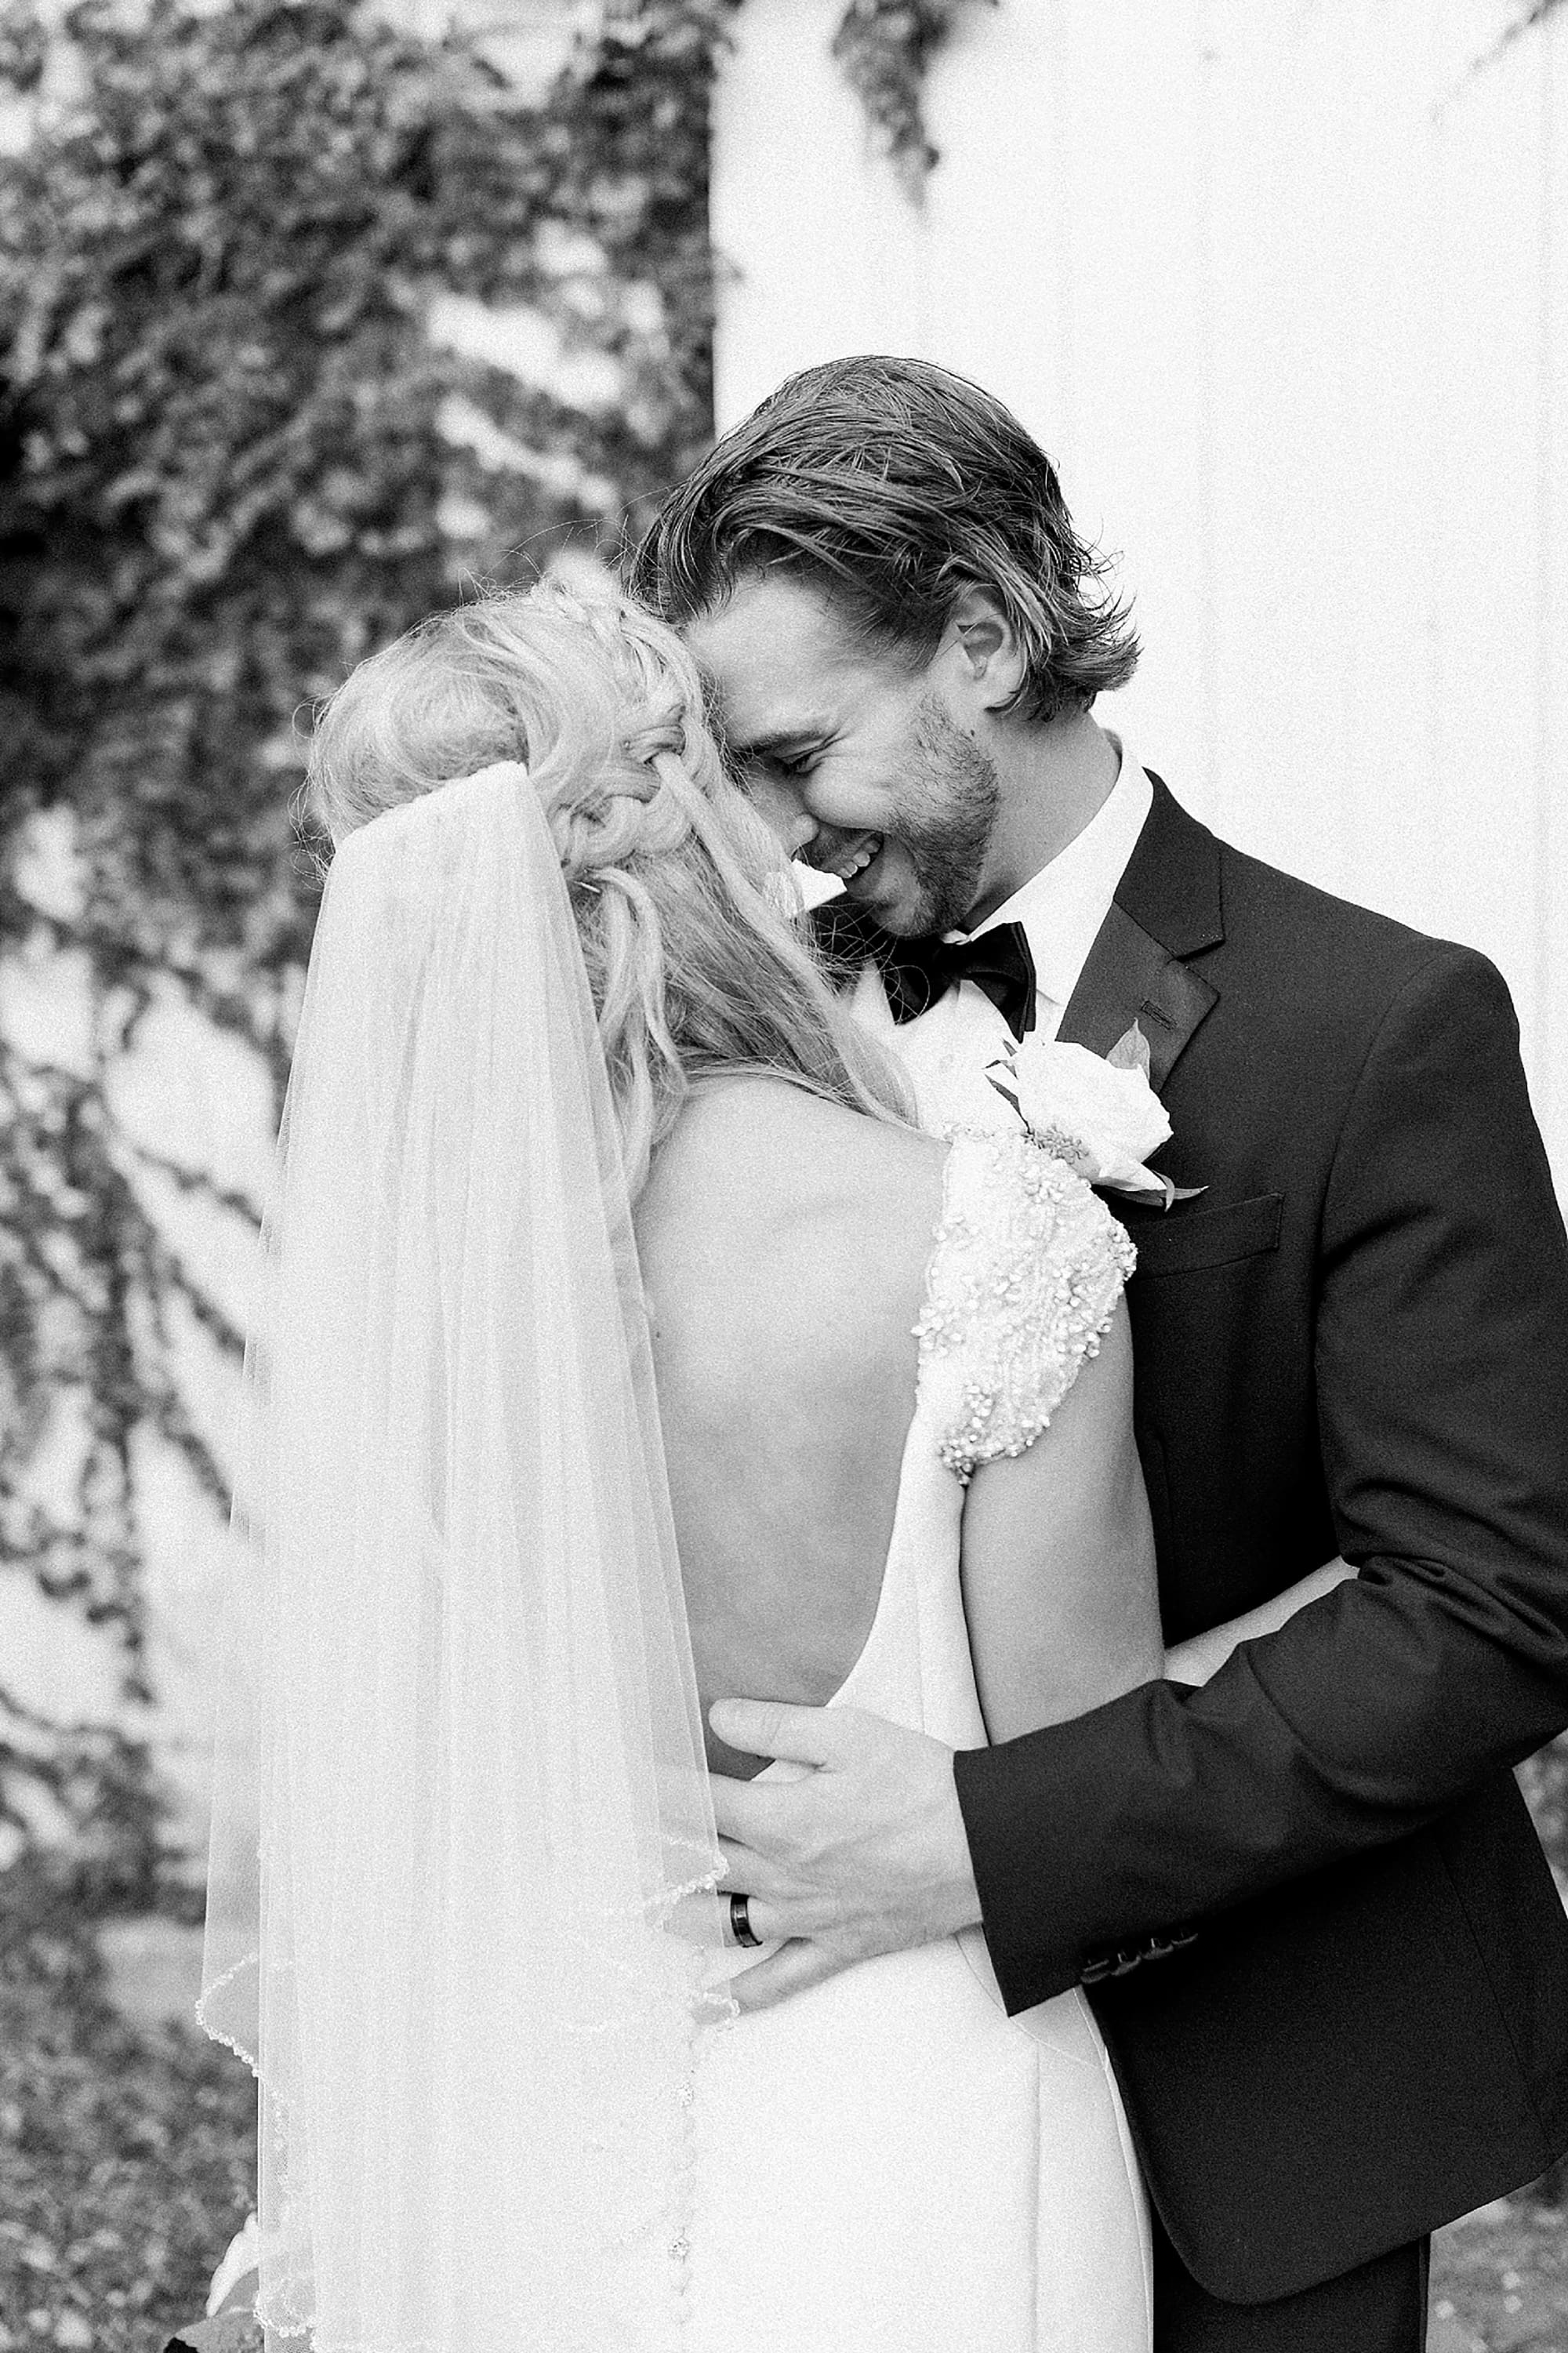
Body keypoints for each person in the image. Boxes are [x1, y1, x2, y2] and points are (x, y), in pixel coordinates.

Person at [194, 579, 1345, 2353]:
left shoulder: (415, 1310)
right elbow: (1090, 1757)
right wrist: (1347, 1585)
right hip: (909, 2103)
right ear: (681, 817)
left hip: (534, 2110)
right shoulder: (975, 1225)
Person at [627, 352, 1568, 2353]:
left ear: (982, 637)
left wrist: (983, 1843)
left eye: (801, 755)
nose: (782, 842)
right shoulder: (739, 1040)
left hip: (1256, 2081)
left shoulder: (1374, 1027)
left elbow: (1485, 1609)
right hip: (830, 2093)